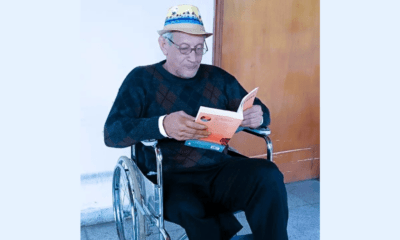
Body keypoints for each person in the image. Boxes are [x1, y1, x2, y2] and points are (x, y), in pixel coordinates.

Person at [104, 4, 288, 240]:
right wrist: (162, 125)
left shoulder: (217, 77)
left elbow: (258, 110)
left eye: (199, 49)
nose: (193, 58)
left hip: (218, 167)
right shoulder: (141, 80)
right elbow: (112, 133)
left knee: (268, 174)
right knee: (192, 207)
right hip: (168, 177)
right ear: (164, 45)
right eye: (184, 48)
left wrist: (258, 115)